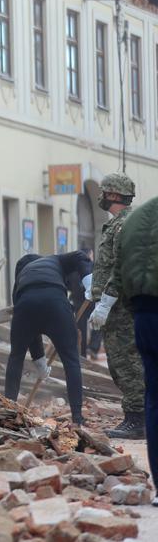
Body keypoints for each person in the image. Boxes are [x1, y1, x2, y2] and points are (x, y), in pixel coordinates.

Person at [3, 249, 92, 425]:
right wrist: (89, 281)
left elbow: (30, 330)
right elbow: (81, 256)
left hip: (25, 305)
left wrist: (39, 361)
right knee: (71, 360)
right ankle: (77, 417)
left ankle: (8, 410)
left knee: (16, 356)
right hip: (55, 302)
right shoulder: (57, 260)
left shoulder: (22, 276)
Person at [90, 172, 146, 438]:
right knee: (122, 363)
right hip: (117, 305)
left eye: (103, 192)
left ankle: (136, 421)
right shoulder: (121, 224)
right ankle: (138, 418)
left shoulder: (125, 225)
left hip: (122, 308)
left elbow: (122, 266)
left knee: (126, 364)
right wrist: (95, 288)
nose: (100, 197)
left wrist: (106, 301)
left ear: (113, 195)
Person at [113, 194, 158, 493]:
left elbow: (118, 273)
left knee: (154, 397)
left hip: (144, 315)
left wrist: (137, 311)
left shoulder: (134, 219)